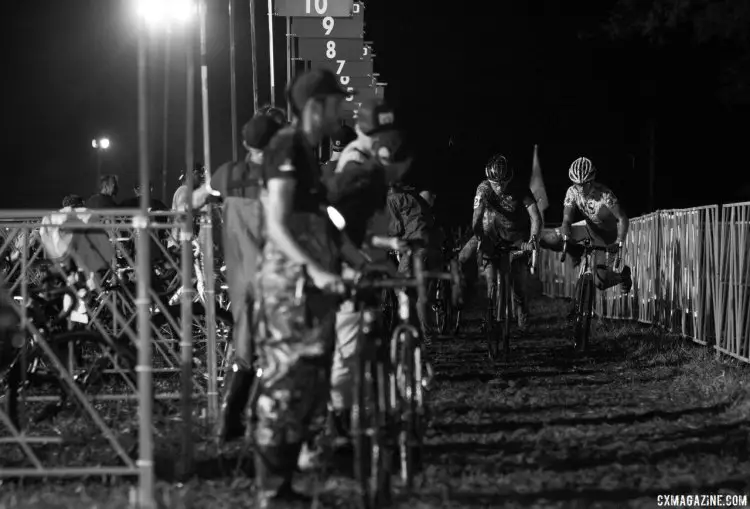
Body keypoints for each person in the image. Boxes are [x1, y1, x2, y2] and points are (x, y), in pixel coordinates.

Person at [254, 68, 348, 507]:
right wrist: (315, 268)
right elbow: (276, 221)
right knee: (284, 384)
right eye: (337, 103)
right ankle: (272, 490)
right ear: (316, 106)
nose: (342, 111)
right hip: (289, 286)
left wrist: (352, 257)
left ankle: (287, 483)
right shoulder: (286, 146)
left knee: (309, 383)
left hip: (310, 284)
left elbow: (322, 217)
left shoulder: (308, 152)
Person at [321, 101, 411, 444]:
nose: (386, 144)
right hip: (346, 262)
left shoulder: (373, 161)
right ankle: (338, 422)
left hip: (367, 255)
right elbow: (341, 227)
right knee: (347, 344)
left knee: (372, 333)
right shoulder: (353, 168)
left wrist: (386, 241)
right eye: (380, 137)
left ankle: (373, 408)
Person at [207, 114, 284, 444]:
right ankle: (264, 417)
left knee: (245, 343)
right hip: (274, 271)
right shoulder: (281, 177)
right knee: (278, 343)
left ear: (245, 143)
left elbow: (201, 196)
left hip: (240, 275)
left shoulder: (228, 175)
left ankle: (231, 415)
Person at [540, 156, 632, 293]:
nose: (581, 188)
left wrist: (619, 241)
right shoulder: (572, 192)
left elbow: (622, 218)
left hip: (607, 238)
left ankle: (623, 277)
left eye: (585, 184)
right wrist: (565, 229)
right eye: (577, 184)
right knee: (548, 238)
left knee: (600, 282)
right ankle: (576, 252)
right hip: (589, 227)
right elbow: (567, 219)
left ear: (592, 180)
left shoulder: (605, 195)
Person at [472, 153, 542, 330]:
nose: (499, 186)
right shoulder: (483, 189)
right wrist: (479, 236)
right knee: (490, 281)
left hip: (518, 238)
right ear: (489, 180)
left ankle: (522, 311)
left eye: (503, 182)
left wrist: (532, 240)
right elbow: (477, 217)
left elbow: (535, 217)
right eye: (495, 183)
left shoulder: (520, 188)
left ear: (510, 178)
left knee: (518, 283)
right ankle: (489, 314)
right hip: (494, 235)